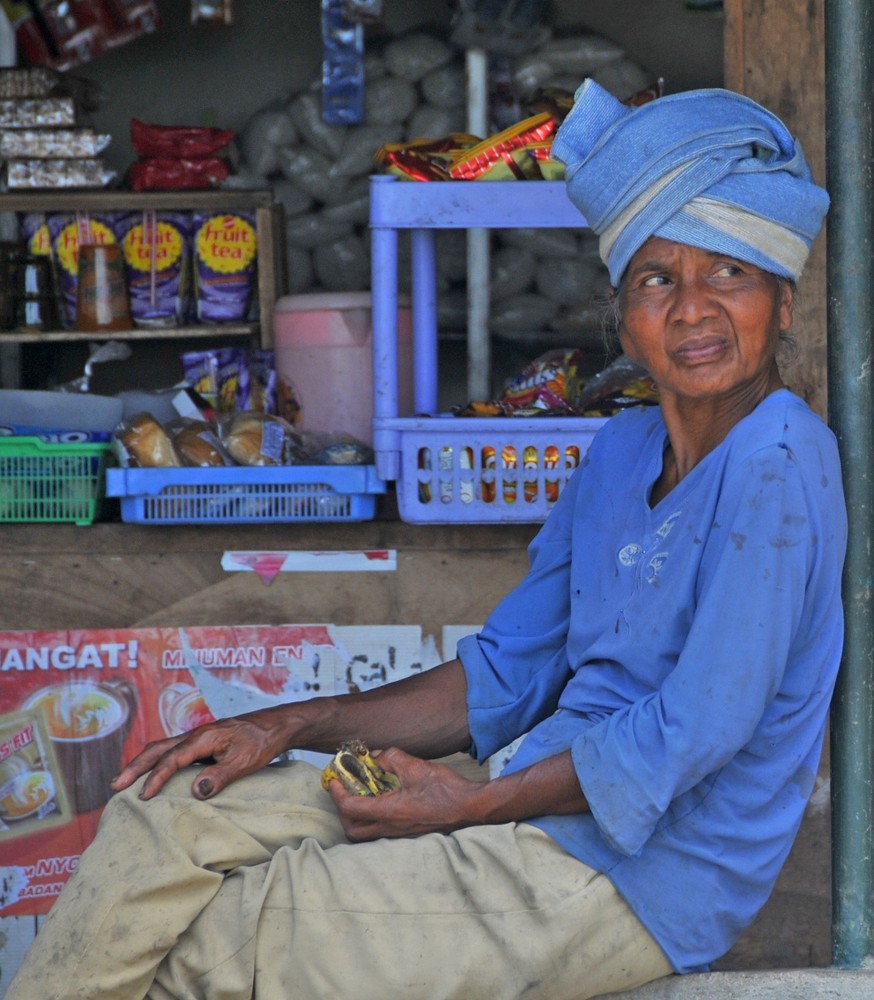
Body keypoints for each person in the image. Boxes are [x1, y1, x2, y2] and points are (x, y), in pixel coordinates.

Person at [6, 79, 845, 1000]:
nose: (691, 307)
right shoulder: (620, 451)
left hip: (637, 876)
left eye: (729, 272)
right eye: (657, 278)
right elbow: (505, 673)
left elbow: (697, 732)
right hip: (522, 796)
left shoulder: (781, 458)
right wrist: (292, 723)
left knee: (233, 935)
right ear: (623, 315)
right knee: (160, 819)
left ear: (786, 304)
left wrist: (473, 803)